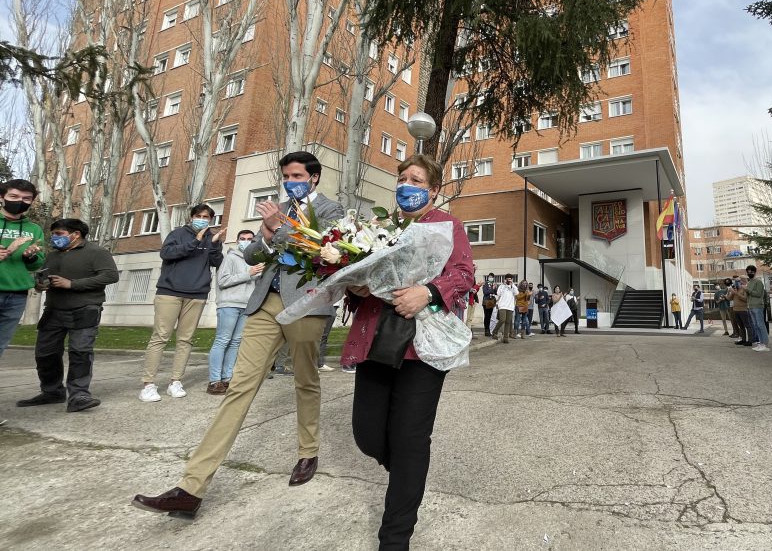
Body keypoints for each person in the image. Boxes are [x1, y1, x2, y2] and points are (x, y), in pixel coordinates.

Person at [133, 150, 345, 517]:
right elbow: (250, 256)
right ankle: (191, 486)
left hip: (307, 305)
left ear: (313, 177)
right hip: (265, 303)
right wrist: (264, 237)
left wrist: (279, 229)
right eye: (286, 176)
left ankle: (307, 452)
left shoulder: (332, 210)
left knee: (305, 382)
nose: (290, 181)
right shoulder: (277, 207)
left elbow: (327, 252)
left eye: (296, 175)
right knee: (239, 388)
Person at [336, 153, 473, 547]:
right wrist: (356, 286)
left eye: (415, 180)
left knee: (411, 438)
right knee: (367, 434)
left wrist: (427, 293)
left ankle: (394, 538)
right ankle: (409, 476)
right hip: (376, 339)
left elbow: (463, 275)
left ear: (432, 190)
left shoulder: (448, 226)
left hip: (422, 347)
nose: (405, 186)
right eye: (402, 178)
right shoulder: (381, 228)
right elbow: (364, 278)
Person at [16, 218, 118, 412]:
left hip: (86, 309)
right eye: (53, 234)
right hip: (53, 309)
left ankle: (79, 395)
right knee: (45, 353)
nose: (54, 238)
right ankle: (52, 392)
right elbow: (43, 277)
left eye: (59, 234)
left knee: (80, 352)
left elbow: (110, 276)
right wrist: (40, 285)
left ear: (75, 234)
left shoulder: (97, 252)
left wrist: (72, 284)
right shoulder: (53, 256)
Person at [139, 203, 225, 402]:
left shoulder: (211, 238)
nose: (202, 219)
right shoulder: (178, 233)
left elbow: (216, 263)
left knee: (186, 340)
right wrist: (194, 241)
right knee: (160, 337)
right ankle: (148, 384)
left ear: (211, 219)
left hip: (197, 294)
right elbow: (167, 254)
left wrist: (214, 245)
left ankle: (175, 381)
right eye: (199, 215)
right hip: (170, 292)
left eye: (206, 217)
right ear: (191, 217)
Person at [207, 230, 263, 394]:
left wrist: (257, 274)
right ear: (237, 240)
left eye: (250, 239)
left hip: (246, 305)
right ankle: (214, 380)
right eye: (242, 239)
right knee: (222, 340)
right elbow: (223, 281)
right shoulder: (230, 257)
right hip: (229, 304)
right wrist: (248, 274)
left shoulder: (254, 260)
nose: (246, 241)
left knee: (236, 342)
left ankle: (227, 378)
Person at [0, 179, 45, 359]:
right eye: (14, 196)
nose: (20, 201)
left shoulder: (33, 229)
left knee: (1, 343)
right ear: (2, 197)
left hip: (16, 295)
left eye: (26, 198)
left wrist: (30, 256)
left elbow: (37, 264)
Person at [745, 265, 768, 349]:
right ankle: (760, 343)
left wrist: (747, 290)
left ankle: (764, 343)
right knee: (755, 325)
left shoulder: (758, 282)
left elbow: (758, 294)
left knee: (760, 325)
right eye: (748, 272)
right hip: (750, 306)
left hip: (758, 306)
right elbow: (748, 294)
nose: (749, 273)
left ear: (755, 272)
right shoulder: (749, 282)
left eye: (751, 271)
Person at [495, 273, 517, 343]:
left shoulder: (513, 287)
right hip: (502, 306)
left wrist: (512, 285)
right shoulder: (501, 286)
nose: (509, 280)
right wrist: (504, 285)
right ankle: (494, 332)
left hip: (510, 306)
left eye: (510, 279)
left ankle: (505, 338)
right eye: (508, 279)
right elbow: (498, 293)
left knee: (508, 322)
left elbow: (516, 293)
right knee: (502, 319)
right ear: (505, 279)